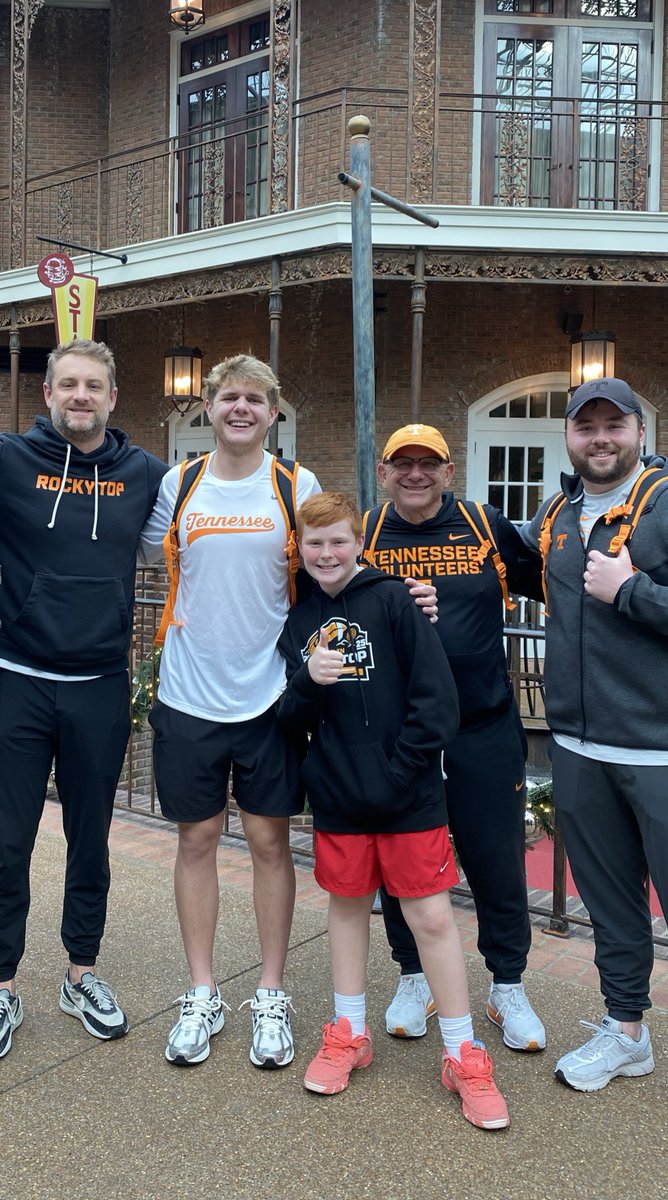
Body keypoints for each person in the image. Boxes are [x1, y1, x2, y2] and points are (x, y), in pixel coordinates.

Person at [140, 354, 438, 1070]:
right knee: (196, 842)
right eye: (228, 397)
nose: (241, 408)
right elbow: (138, 553)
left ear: (274, 413)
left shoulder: (291, 483)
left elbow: (336, 558)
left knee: (271, 846)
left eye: (256, 399)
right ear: (207, 407)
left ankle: (270, 991)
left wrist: (402, 594)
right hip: (188, 694)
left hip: (272, 696)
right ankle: (203, 988)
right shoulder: (177, 484)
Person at [519, 376, 668, 1151]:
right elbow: (496, 554)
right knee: (613, 905)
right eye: (585, 427)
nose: (600, 439)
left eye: (613, 425)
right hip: (583, 747)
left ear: (639, 432)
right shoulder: (557, 515)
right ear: (568, 438)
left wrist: (634, 593)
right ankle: (627, 1030)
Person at [277, 491, 510, 1130]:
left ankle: (463, 1052)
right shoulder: (299, 620)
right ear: (303, 548)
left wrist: (400, 771)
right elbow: (289, 718)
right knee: (347, 908)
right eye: (315, 543)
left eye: (339, 541)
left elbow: (437, 702)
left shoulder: (396, 601)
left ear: (359, 543)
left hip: (408, 795)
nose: (327, 554)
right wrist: (308, 681)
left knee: (431, 916)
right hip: (339, 796)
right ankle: (349, 1031)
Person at [0, 338, 167, 1058]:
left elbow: (208, 536)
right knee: (6, 843)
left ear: (112, 397)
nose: (79, 396)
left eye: (92, 386)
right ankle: (3, 986)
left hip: (100, 683)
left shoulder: (146, 475)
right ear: (47, 395)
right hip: (17, 678)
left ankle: (81, 972)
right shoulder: (8, 462)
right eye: (67, 384)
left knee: (88, 840)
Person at [362, 424, 546, 1054]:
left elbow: (552, 577)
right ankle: (414, 977)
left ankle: (507, 984)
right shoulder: (366, 534)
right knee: (402, 863)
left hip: (482, 723)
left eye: (429, 464)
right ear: (384, 472)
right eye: (402, 464)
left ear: (447, 470)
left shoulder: (483, 524)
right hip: (402, 732)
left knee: (496, 857)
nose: (416, 474)